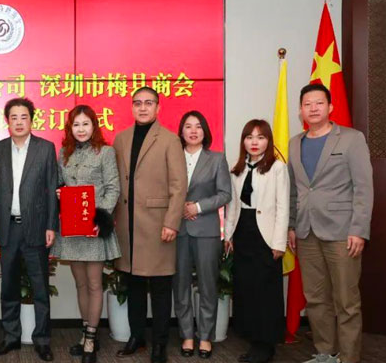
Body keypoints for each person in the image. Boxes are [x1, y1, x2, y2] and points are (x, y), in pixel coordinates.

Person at [287, 84, 373, 363]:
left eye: (319, 103)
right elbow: (294, 190)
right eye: (307, 104)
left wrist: (359, 230)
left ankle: (349, 358)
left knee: (346, 301)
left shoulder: (351, 139)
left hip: (342, 233)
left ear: (330, 107)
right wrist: (291, 226)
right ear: (300, 110)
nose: (313, 108)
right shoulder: (294, 143)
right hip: (306, 231)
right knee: (315, 299)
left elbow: (363, 188)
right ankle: (326, 353)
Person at [112, 86, 186, 363]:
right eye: (137, 103)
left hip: (158, 226)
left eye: (148, 103)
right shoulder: (121, 138)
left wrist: (172, 223)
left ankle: (160, 344)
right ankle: (137, 337)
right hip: (128, 225)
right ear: (132, 107)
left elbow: (179, 185)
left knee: (160, 288)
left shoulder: (169, 140)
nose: (142, 108)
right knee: (133, 285)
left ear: (158, 107)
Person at [0, 98, 58, 362]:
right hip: (7, 228)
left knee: (40, 287)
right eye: (14, 117)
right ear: (7, 121)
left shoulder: (45, 148)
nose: (19, 122)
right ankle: (10, 337)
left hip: (36, 228)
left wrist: (51, 225)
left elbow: (52, 189)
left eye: (24, 117)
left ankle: (42, 340)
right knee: (8, 286)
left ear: (32, 120)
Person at [51, 105, 121, 363]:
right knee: (80, 284)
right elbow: (60, 183)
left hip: (93, 230)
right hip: (72, 229)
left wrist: (100, 220)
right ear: (70, 128)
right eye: (76, 124)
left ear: (94, 126)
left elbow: (113, 189)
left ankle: (92, 338)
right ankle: (85, 333)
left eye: (85, 124)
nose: (81, 129)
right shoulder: (64, 153)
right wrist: (59, 192)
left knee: (94, 284)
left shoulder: (105, 152)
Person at [225, 119, 288, 363]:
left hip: (266, 235)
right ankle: (253, 340)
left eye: (260, 137)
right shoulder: (238, 169)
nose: (254, 142)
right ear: (243, 141)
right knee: (246, 289)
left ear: (268, 141)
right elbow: (233, 206)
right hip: (243, 232)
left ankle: (266, 344)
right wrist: (229, 235)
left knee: (266, 290)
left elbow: (283, 207)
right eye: (249, 137)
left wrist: (279, 243)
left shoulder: (277, 168)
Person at [172, 110, 231, 360]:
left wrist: (197, 207)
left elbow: (225, 194)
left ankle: (205, 336)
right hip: (177, 230)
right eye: (188, 126)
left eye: (198, 126)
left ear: (205, 131)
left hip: (206, 230)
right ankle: (187, 335)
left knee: (208, 285)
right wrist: (179, 209)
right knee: (180, 285)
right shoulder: (172, 157)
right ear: (181, 131)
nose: (193, 131)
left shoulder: (216, 159)